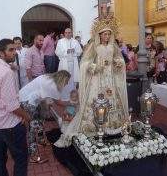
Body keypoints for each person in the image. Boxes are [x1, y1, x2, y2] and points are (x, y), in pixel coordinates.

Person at [55, 18, 129, 147]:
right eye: (105, 34)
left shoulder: (113, 47)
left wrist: (118, 63)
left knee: (113, 100)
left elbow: (120, 59)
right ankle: (95, 125)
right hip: (97, 79)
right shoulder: (94, 47)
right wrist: (94, 67)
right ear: (99, 35)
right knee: (96, 101)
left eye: (109, 34)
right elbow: (84, 63)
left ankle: (113, 124)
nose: (107, 36)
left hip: (110, 79)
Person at [0, 39, 30, 176]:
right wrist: (27, 117)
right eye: (11, 50)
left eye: (15, 49)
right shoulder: (6, 72)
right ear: (1, 53)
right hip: (10, 124)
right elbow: (12, 106)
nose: (14, 53)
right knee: (21, 158)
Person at [19, 70, 71, 163]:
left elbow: (44, 96)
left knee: (41, 119)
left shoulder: (47, 78)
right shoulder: (53, 87)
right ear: (62, 79)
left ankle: (41, 140)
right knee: (33, 128)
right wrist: (73, 103)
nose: (66, 84)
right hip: (27, 102)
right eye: (66, 82)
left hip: (27, 98)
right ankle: (33, 156)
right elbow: (59, 103)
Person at [55, 28, 82, 101]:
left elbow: (80, 51)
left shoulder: (75, 41)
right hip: (64, 63)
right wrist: (66, 51)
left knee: (72, 81)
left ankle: (72, 97)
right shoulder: (60, 42)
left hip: (73, 64)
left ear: (71, 33)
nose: (68, 34)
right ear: (64, 33)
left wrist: (74, 51)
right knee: (64, 80)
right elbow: (57, 52)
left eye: (69, 32)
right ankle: (64, 98)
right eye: (66, 32)